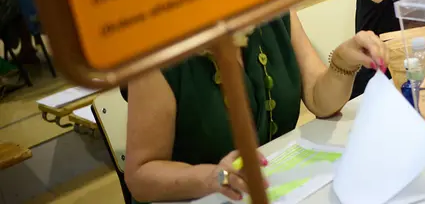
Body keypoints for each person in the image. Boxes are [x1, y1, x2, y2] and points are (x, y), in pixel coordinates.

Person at [124, 13, 388, 203]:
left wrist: (342, 63)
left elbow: (320, 100)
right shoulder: (156, 50)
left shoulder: (273, 9)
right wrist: (212, 177)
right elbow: (140, 176)